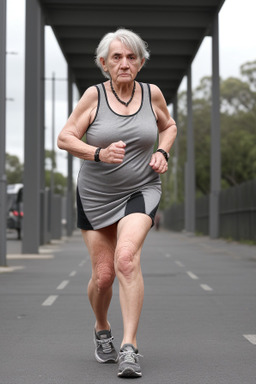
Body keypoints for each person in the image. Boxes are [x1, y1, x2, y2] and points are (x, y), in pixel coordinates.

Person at [57, 28, 177, 378]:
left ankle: (129, 347)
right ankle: (101, 327)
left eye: (131, 57)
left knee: (126, 259)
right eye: (117, 58)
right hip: (95, 195)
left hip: (141, 189)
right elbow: (65, 137)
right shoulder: (93, 97)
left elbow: (169, 126)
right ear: (104, 64)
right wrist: (98, 153)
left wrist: (161, 151)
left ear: (140, 62)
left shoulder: (151, 93)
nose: (124, 63)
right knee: (104, 275)